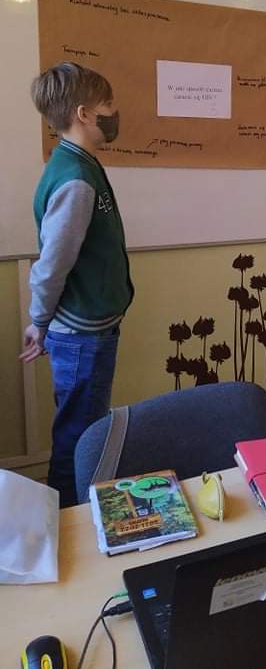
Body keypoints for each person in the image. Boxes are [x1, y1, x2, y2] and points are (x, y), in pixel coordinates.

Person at [19, 62, 134, 506]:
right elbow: (53, 263)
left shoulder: (81, 164)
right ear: (85, 114)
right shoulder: (75, 180)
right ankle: (69, 517)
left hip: (89, 327)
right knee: (79, 435)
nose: (114, 111)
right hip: (82, 334)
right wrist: (38, 320)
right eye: (108, 104)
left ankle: (74, 509)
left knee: (82, 425)